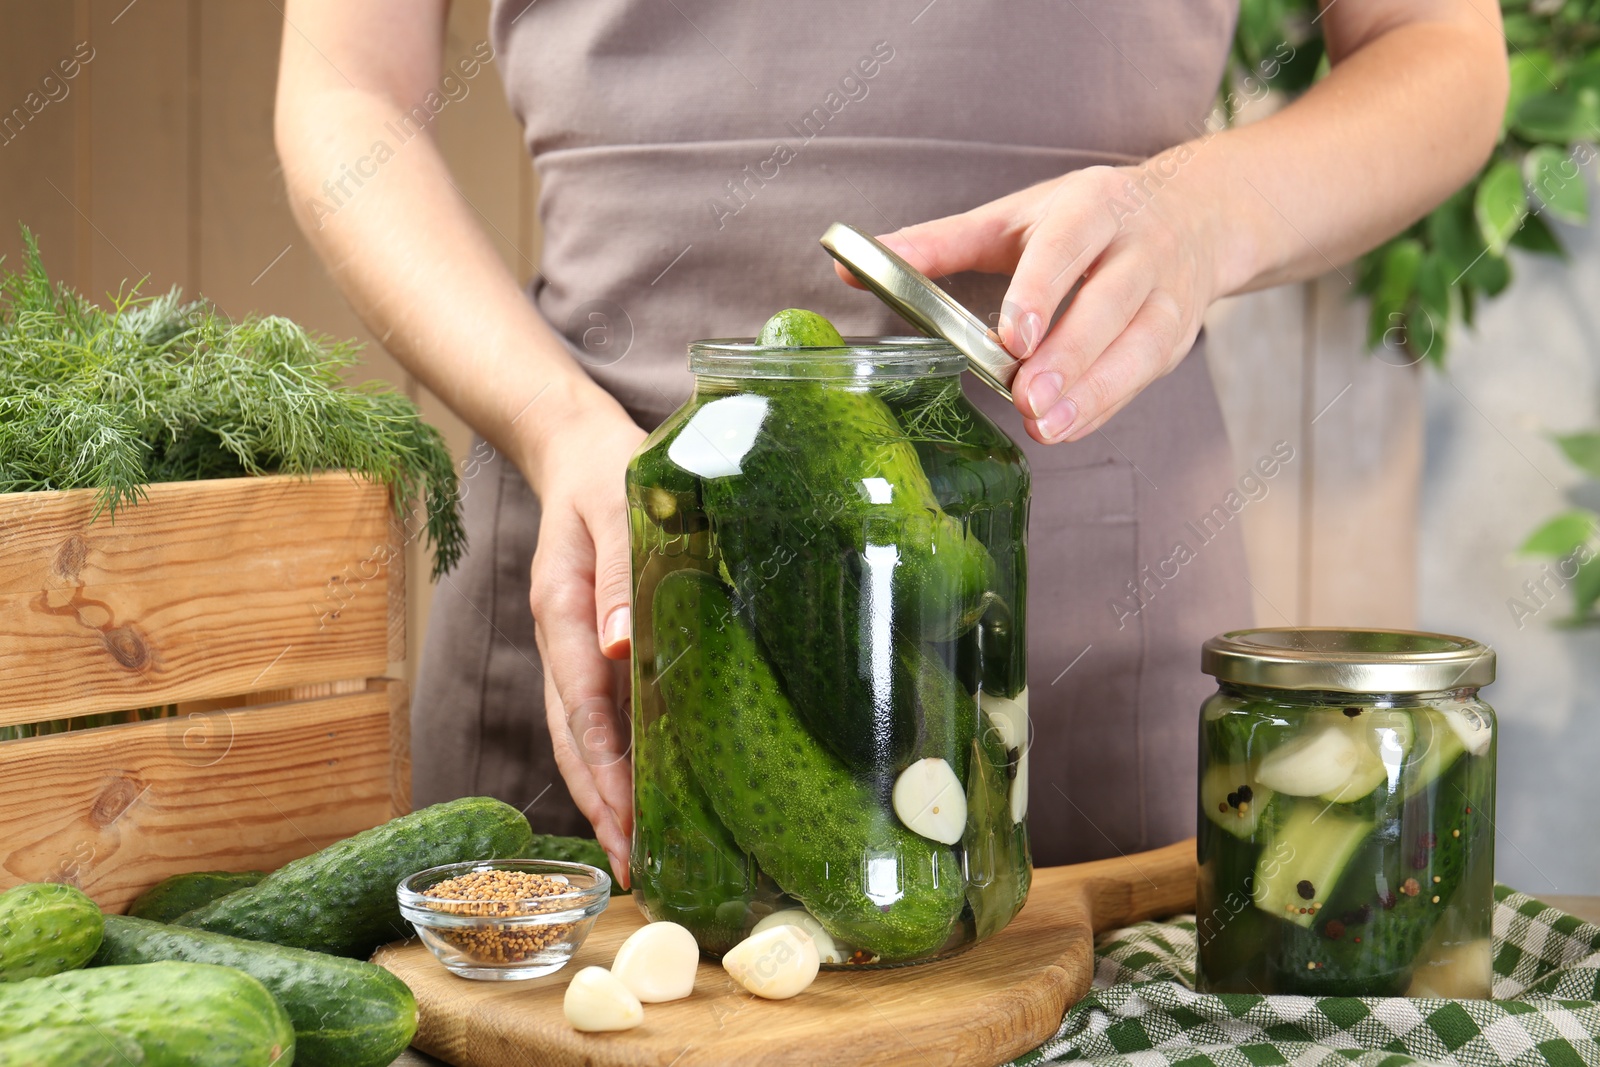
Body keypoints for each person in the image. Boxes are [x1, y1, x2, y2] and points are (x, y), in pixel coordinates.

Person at [275, 0, 1509, 882]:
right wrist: (555, 427)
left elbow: (1437, 48)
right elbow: (348, 86)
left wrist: (1201, 212)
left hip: (1082, 577)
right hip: (602, 548)